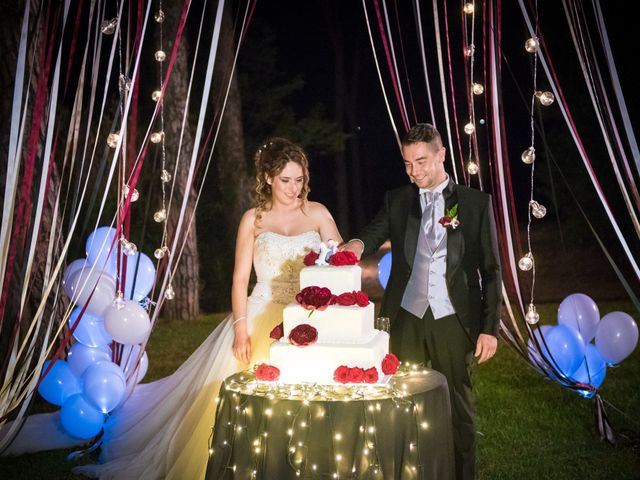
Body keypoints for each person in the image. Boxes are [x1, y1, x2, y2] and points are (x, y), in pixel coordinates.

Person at [2, 138, 342, 480]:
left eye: (299, 180)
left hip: (309, 313)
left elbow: (342, 260)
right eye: (286, 180)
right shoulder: (253, 220)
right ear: (268, 177)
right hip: (259, 312)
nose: (293, 188)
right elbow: (240, 280)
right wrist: (241, 329)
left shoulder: (317, 213)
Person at [342, 123, 502, 480]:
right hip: (406, 317)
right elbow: (372, 234)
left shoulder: (475, 204)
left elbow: (492, 272)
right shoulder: (397, 200)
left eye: (422, 161)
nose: (414, 171)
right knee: (402, 401)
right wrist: (354, 246)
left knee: (455, 404)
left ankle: (462, 474)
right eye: (407, 163)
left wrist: (489, 329)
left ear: (441, 155)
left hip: (452, 319)